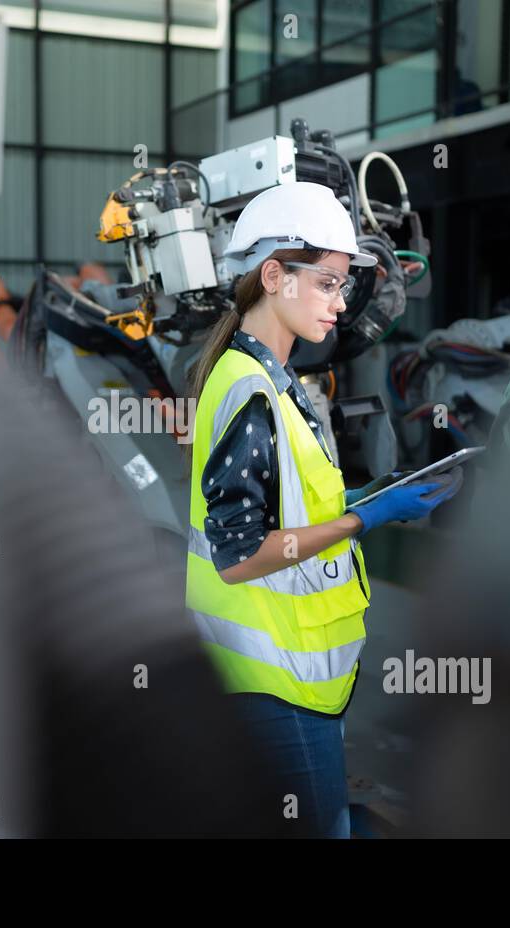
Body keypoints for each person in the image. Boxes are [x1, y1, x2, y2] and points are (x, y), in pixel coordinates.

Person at [185, 182, 461, 838]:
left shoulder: (268, 384)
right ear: (274, 275)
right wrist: (367, 518)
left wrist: (368, 499)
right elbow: (240, 554)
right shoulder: (254, 393)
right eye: (329, 283)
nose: (341, 304)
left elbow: (287, 508)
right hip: (273, 685)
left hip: (289, 680)